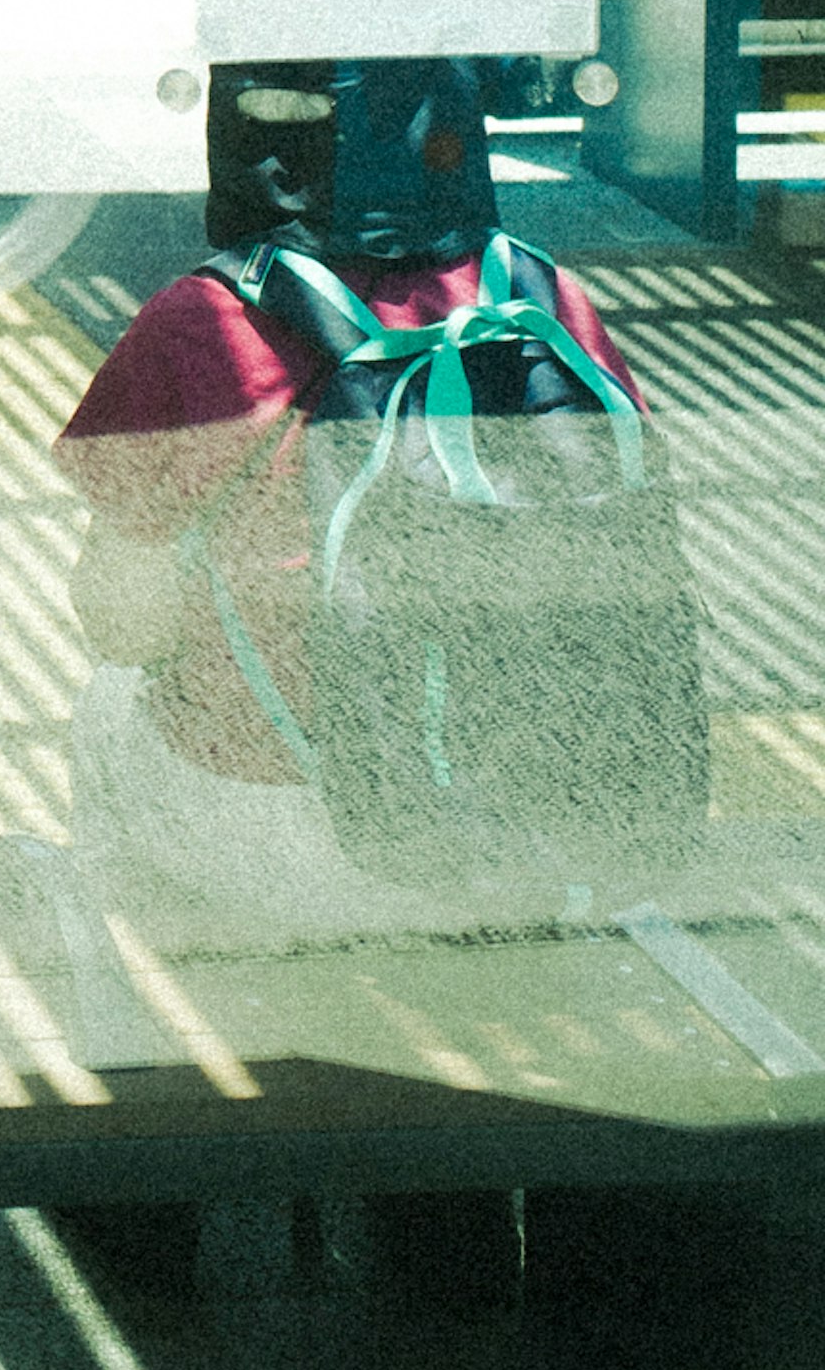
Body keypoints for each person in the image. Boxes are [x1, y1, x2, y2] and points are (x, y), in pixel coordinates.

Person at [51, 55, 657, 951]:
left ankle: (183, 1004)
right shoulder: (545, 301)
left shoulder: (208, 321)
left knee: (109, 699)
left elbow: (123, 624)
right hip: (551, 847)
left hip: (306, 845)